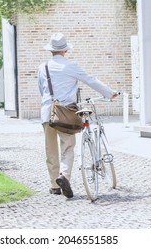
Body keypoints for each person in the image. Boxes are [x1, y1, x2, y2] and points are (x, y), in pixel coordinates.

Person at [38, 33, 119, 198]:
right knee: (68, 147)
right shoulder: (71, 66)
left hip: (47, 112)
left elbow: (42, 90)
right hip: (65, 113)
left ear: (50, 51)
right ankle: (64, 176)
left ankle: (54, 185)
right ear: (65, 50)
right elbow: (91, 80)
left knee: (50, 150)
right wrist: (109, 93)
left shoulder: (43, 67)